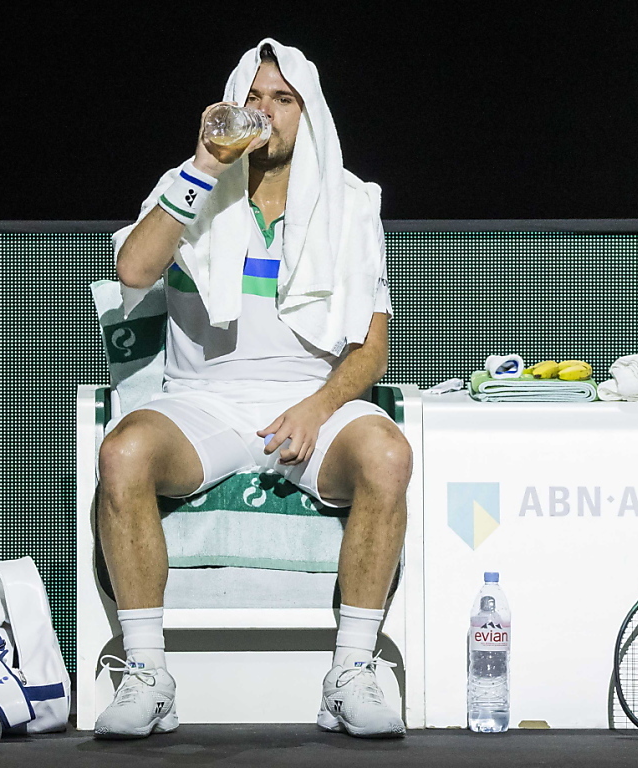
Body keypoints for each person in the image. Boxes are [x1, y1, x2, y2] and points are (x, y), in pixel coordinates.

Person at [96, 38, 412, 739]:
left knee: (389, 454)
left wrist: (318, 405)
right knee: (122, 454)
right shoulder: (188, 188)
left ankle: (350, 675)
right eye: (254, 98)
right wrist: (207, 164)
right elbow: (134, 272)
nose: (265, 113)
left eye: (282, 99)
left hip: (308, 400)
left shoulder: (351, 204)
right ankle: (149, 677)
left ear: (308, 111)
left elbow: (373, 350)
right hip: (202, 400)